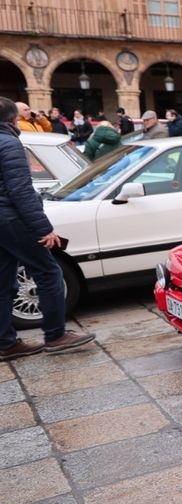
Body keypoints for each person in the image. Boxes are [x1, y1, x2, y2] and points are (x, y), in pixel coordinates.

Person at [0, 97, 95, 360]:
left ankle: (6, 343)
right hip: (11, 218)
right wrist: (43, 229)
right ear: (13, 119)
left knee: (3, 281)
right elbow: (20, 191)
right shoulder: (9, 143)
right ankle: (55, 335)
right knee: (48, 272)